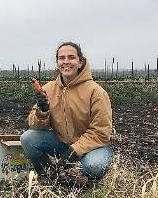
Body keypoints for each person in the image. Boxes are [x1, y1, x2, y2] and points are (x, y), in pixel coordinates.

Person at [20, 42, 112, 181]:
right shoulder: (49, 89)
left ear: (80, 62)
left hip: (93, 148)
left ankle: (89, 187)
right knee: (28, 138)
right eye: (61, 58)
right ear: (57, 63)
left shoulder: (96, 92)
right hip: (63, 144)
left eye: (71, 57)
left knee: (95, 166)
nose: (66, 62)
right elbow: (34, 125)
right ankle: (49, 177)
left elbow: (101, 132)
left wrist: (74, 151)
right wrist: (42, 111)